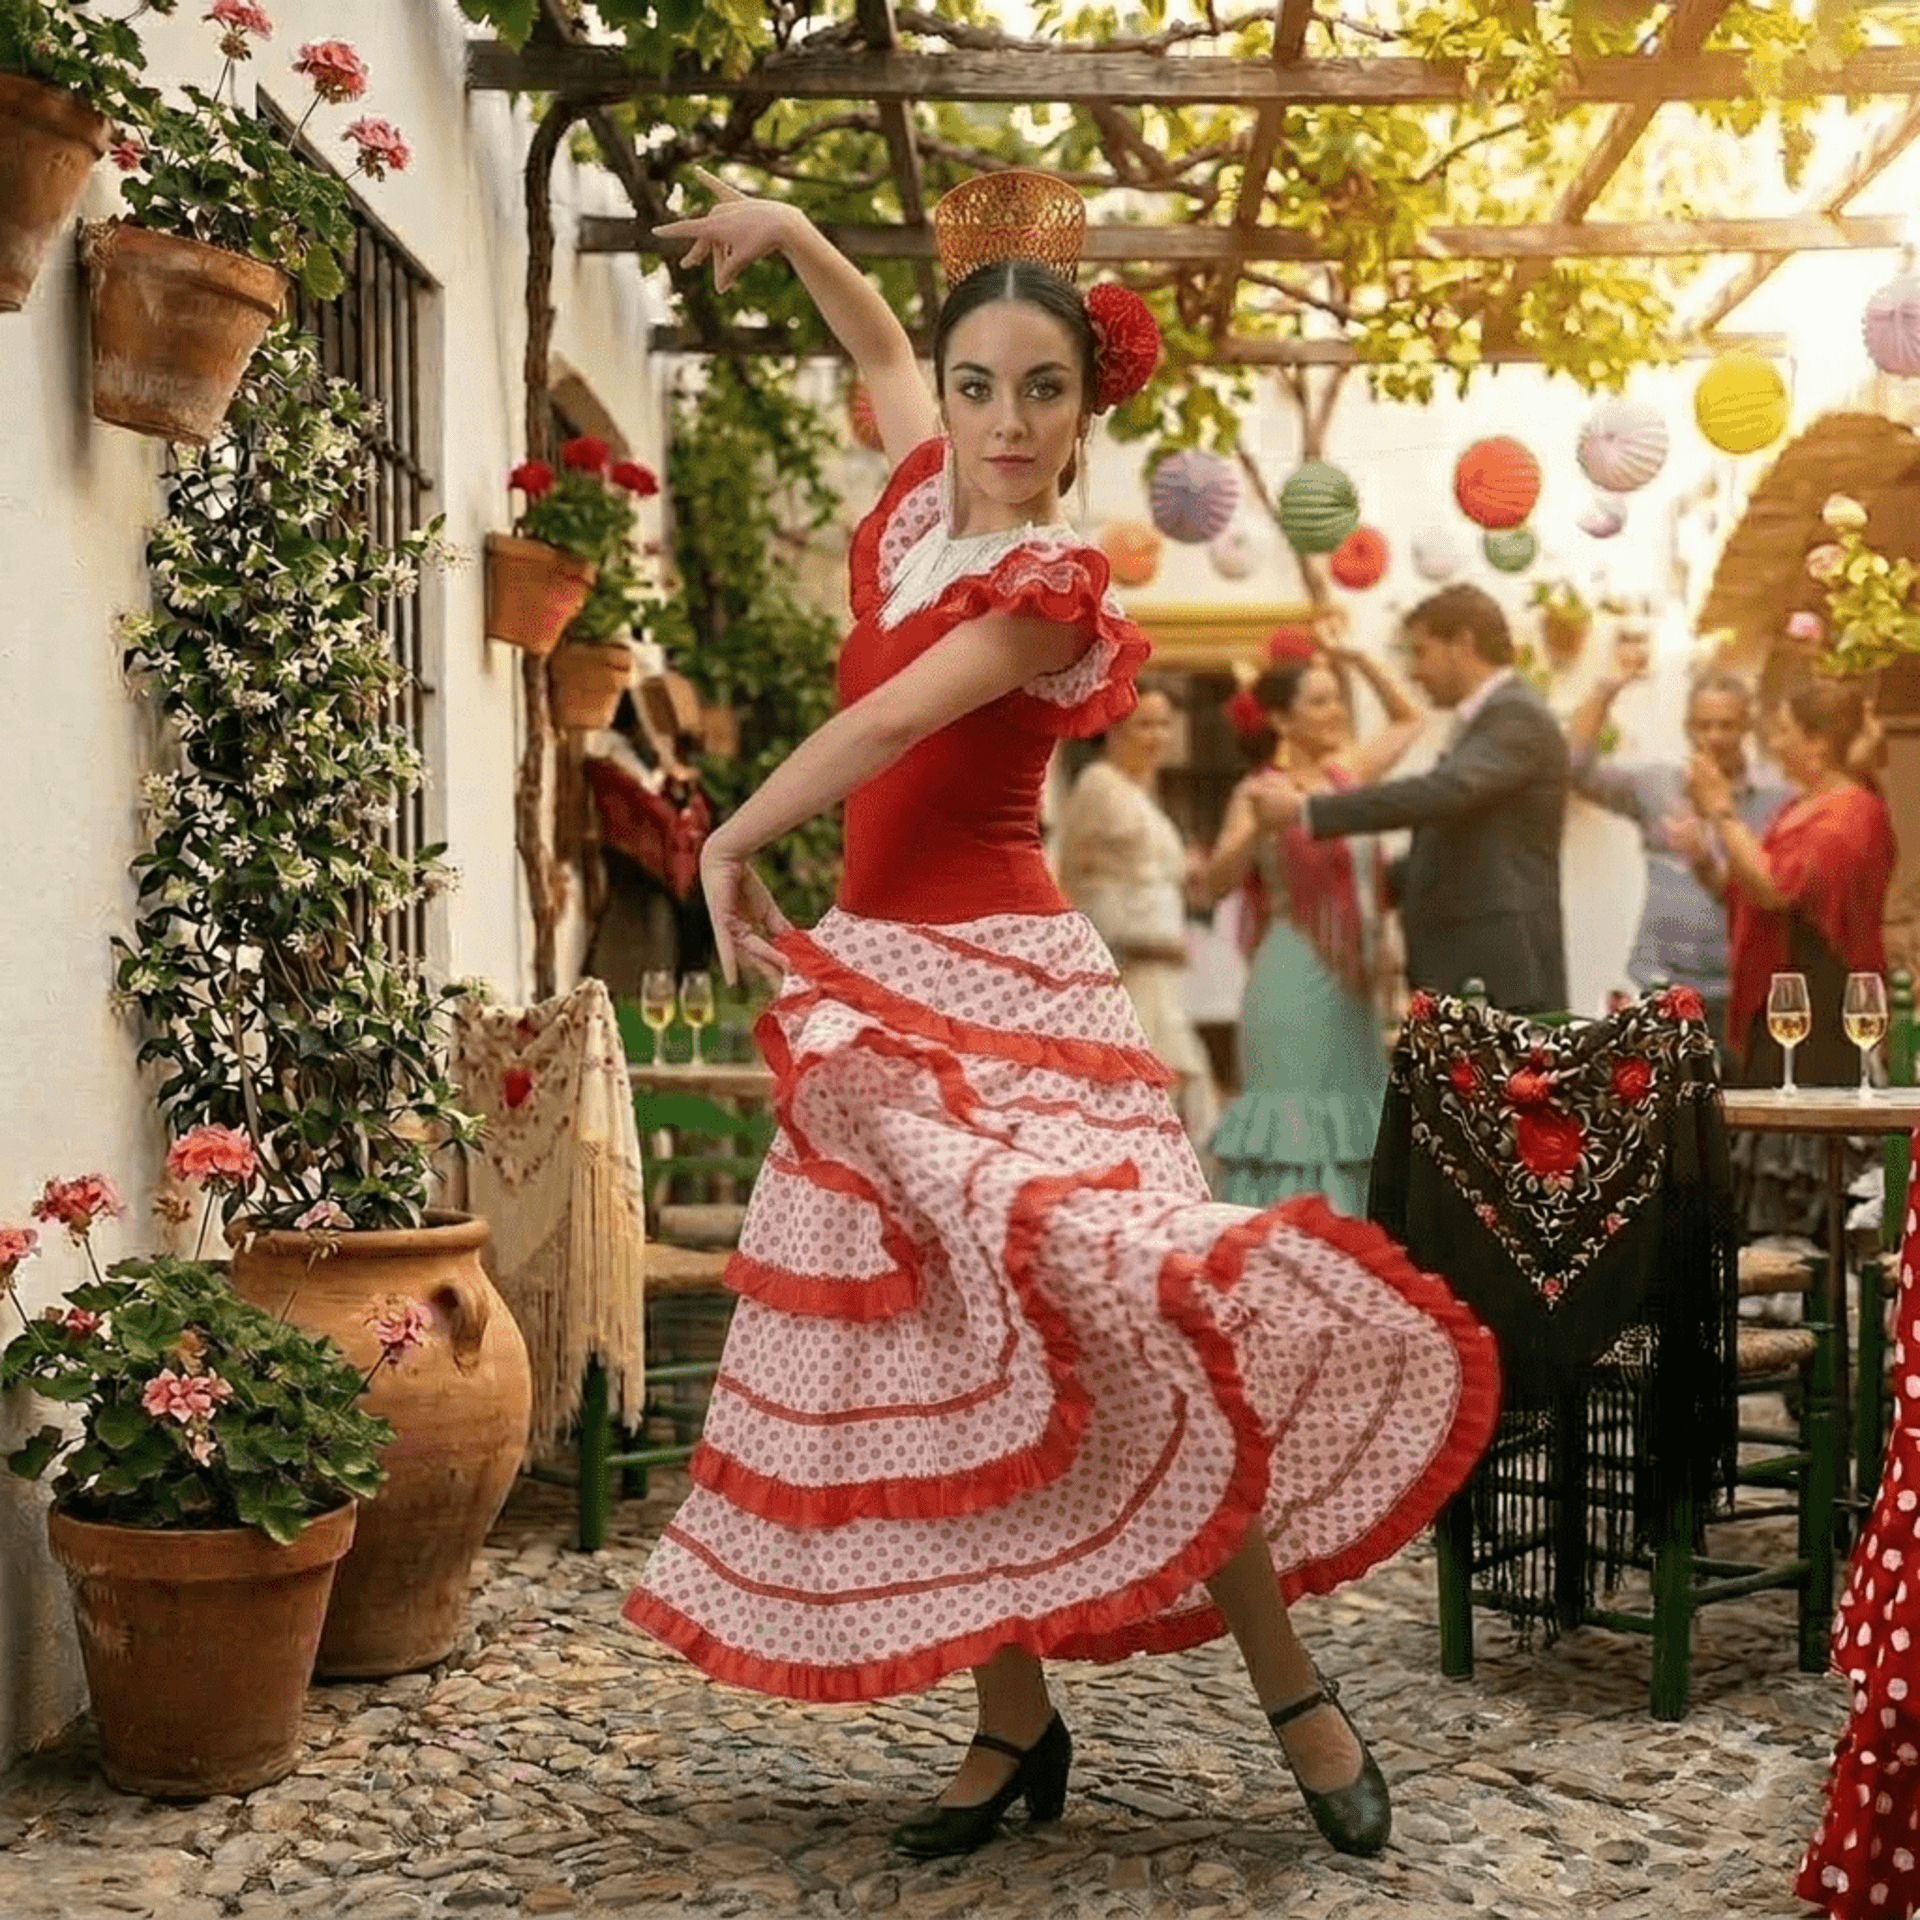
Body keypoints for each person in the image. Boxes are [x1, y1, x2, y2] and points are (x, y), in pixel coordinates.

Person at [620, 164, 1499, 1866]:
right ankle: (1013, 1723)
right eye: (975, 385)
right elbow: (880, 341)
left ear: (1086, 401)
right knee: (947, 1349)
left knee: (1135, 1311)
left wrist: (730, 832)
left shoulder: (1049, 577)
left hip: (1012, 993)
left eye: (1042, 389)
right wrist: (799, 231)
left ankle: (1295, 1687)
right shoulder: (910, 506)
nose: (1003, 420)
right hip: (877, 987)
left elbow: (880, 741)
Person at [1252, 584, 1570, 1013]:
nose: (1416, 672)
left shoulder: (1516, 715)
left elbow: (1444, 792)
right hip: (1473, 967)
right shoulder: (1487, 720)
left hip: (1500, 971)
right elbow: (1452, 835)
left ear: (1463, 645)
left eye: (1421, 652)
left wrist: (1308, 810)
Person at [1199, 643, 1423, 1212]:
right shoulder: (1257, 790)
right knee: (1294, 1126)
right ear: (1280, 719)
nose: (1337, 713)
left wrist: (1357, 659)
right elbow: (1214, 882)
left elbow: (1409, 719)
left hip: (1356, 989)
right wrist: (1255, 825)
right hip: (1292, 980)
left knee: (1356, 1124)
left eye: (1337, 701)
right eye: (1320, 703)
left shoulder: (1347, 775)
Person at [1688, 679, 1895, 1241]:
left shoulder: (1853, 811)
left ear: (1819, 743)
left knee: (1808, 1174)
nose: (1773, 742)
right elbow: (1750, 893)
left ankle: (1818, 1299)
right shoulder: (1801, 807)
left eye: (1783, 730)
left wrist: (1722, 811)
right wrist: (1708, 857)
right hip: (1780, 1003)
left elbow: (1776, 890)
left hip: (1823, 1008)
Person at [1565, 641, 1787, 1043]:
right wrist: (1608, 688)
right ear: (1688, 727)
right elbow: (1574, 769)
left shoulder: (1779, 796)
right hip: (1662, 983)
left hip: (1745, 987)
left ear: (1746, 728)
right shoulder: (1657, 785)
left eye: (1726, 725)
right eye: (1703, 725)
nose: (1714, 736)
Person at [1054, 682, 1220, 1145]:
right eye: (1144, 724)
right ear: (1114, 728)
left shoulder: (1138, 791)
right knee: (1148, 1104)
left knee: (1176, 1103)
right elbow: (1074, 880)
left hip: (1160, 971)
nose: (1157, 736)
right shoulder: (1099, 785)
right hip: (1129, 970)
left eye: (1164, 724)